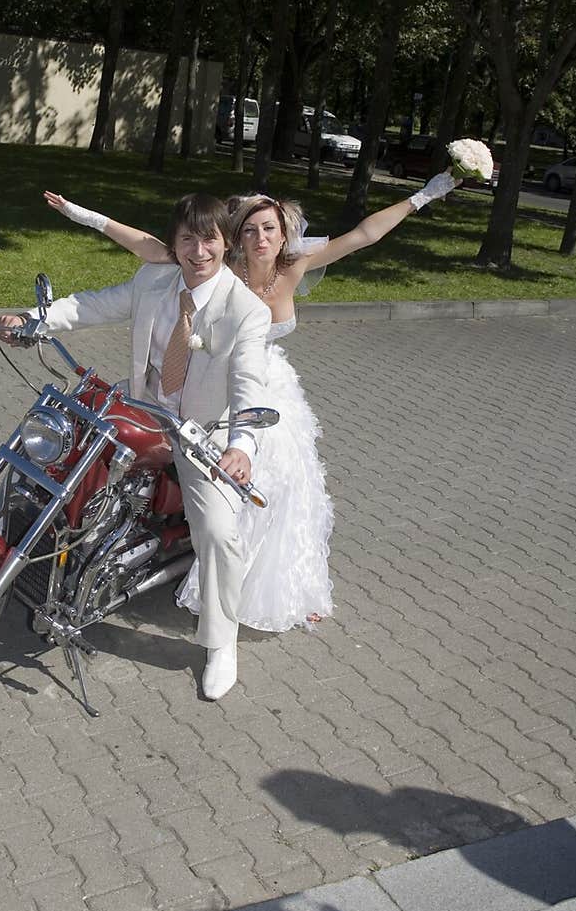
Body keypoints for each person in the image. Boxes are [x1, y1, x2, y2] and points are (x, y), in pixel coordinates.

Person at [42, 168, 459, 638]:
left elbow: (364, 234)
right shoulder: (214, 264)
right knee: (82, 419)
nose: (260, 238)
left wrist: (425, 195)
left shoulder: (293, 267)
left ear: (284, 235)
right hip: (195, 379)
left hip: (259, 386)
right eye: (250, 229)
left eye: (270, 229)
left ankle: (255, 587)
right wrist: (78, 214)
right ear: (235, 237)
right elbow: (143, 242)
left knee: (277, 483)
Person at [0, 193, 271, 701]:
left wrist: (242, 445)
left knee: (218, 531)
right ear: (174, 243)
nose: (198, 250)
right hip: (143, 404)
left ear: (225, 243)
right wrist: (34, 319)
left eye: (209, 238)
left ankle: (220, 644)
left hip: (201, 429)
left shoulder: (246, 311)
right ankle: (36, 542)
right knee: (56, 442)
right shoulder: (155, 280)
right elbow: (91, 305)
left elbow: (248, 382)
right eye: (187, 238)